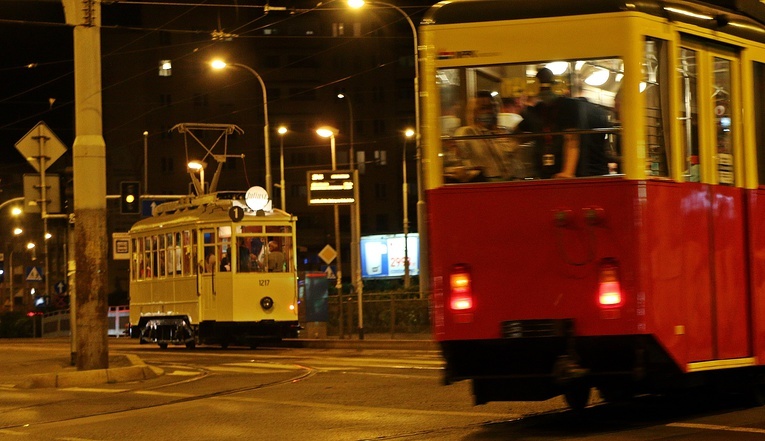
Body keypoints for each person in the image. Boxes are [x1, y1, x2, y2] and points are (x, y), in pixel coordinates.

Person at [451, 90, 517, 181]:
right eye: (483, 108)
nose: (490, 111)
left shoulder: (504, 131)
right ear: (474, 111)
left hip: (509, 183)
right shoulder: (466, 132)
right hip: (484, 185)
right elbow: (459, 159)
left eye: (492, 107)